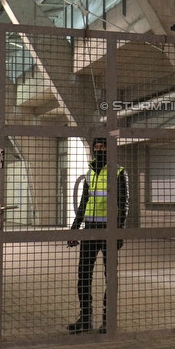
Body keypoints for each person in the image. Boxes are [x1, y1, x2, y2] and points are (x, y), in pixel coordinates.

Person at [67, 138, 128, 334]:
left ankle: (108, 320)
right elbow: (84, 202)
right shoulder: (89, 173)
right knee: (83, 276)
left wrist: (119, 231)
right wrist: (75, 229)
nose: (99, 149)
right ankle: (85, 319)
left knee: (110, 277)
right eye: (96, 146)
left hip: (109, 231)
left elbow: (123, 204)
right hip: (90, 230)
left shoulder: (118, 172)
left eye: (102, 146)